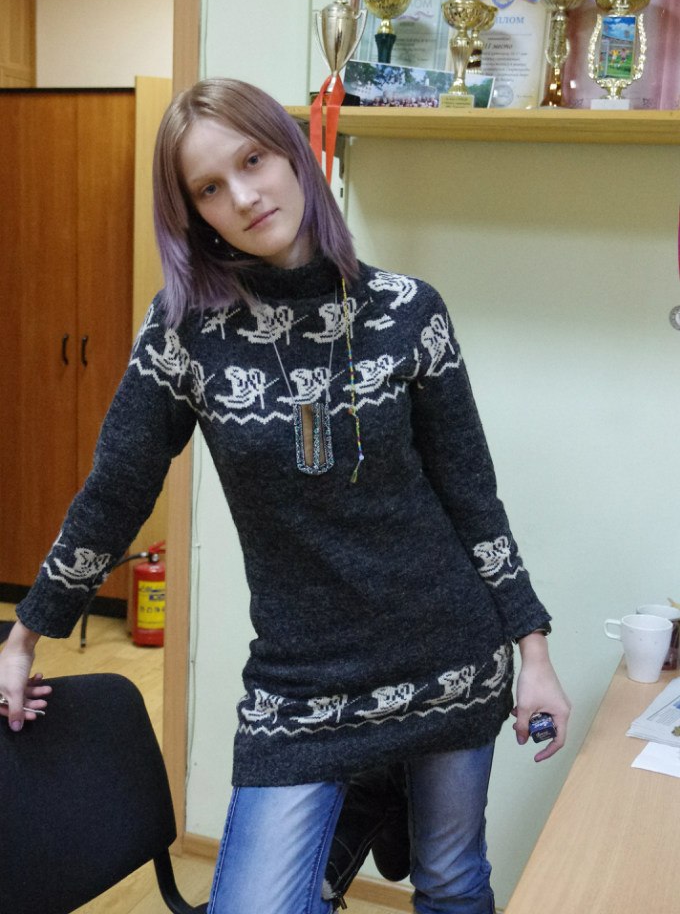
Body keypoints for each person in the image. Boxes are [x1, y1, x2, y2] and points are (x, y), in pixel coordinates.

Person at [0, 78, 570, 914]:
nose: (242, 196)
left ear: (296, 155)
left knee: (452, 881)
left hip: (447, 656)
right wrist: (26, 635)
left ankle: (376, 797)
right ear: (194, 213)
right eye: (209, 188)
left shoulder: (410, 312)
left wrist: (535, 653)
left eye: (253, 160)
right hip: (301, 680)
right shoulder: (183, 331)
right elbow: (117, 489)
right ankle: (368, 797)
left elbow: (471, 496)